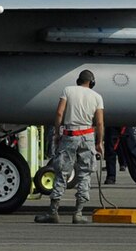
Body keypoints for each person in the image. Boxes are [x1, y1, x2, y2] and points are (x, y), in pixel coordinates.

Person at [38, 69, 105, 224]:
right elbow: (100, 122)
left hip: (70, 134)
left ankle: (53, 212)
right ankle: (79, 213)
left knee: (62, 172)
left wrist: (56, 133)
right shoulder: (97, 97)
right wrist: (99, 142)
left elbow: (59, 114)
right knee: (85, 174)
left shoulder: (68, 90)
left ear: (78, 80)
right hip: (88, 135)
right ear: (92, 82)